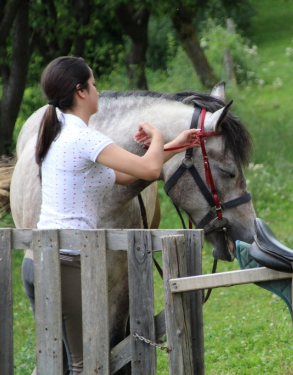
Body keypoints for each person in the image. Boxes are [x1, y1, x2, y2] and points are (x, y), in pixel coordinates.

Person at [21, 56, 199, 374]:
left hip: (38, 262)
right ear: (80, 92)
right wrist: (157, 138)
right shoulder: (84, 138)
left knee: (56, 364)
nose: (98, 91)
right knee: (82, 365)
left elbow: (129, 176)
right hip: (63, 265)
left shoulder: (60, 135)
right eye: (93, 84)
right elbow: (151, 167)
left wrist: (174, 144)